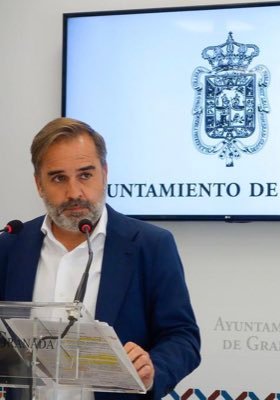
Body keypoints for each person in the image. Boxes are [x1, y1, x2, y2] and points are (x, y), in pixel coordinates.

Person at [0, 118, 201, 400]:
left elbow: (183, 337)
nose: (74, 193)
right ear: (39, 184)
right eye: (58, 178)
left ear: (104, 173)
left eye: (85, 175)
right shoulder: (10, 245)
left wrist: (153, 367)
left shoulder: (150, 245)